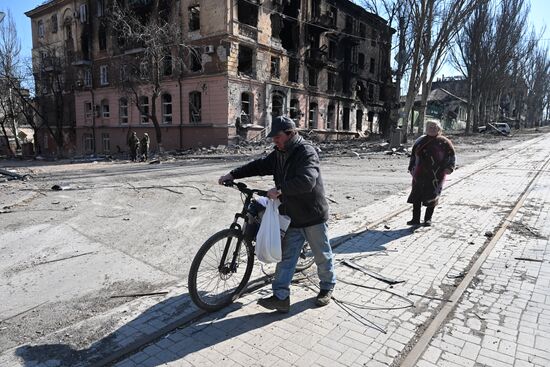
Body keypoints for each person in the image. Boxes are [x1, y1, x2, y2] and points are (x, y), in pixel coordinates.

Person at [218, 116, 336, 313]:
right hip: (292, 216)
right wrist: (233, 174)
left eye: (277, 137)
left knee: (321, 254)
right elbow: (258, 166)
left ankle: (326, 287)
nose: (274, 140)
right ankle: (280, 297)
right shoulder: (279, 153)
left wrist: (280, 190)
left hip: (312, 215)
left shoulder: (306, 152)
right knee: (287, 258)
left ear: (290, 134)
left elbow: (307, 181)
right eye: (273, 137)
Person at [407, 121, 456, 226]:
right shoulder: (420, 141)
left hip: (436, 175)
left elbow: (451, 156)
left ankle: (427, 219)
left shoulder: (444, 142)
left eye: (435, 127)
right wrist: (411, 168)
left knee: (432, 196)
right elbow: (413, 156)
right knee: (417, 196)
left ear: (439, 129)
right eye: (430, 127)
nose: (432, 129)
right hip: (419, 174)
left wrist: (449, 168)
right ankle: (415, 219)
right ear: (426, 128)